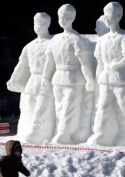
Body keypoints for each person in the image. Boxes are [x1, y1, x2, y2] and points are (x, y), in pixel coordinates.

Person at [41, 4, 95, 144]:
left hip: (74, 79)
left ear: (73, 18)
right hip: (58, 78)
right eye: (61, 17)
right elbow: (49, 62)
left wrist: (90, 80)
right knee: (59, 108)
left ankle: (63, 134)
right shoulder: (55, 40)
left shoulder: (77, 40)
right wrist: (46, 77)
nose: (63, 20)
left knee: (69, 108)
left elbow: (85, 62)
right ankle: (61, 131)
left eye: (67, 17)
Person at [87, 2, 125, 146]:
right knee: (102, 105)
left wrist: (117, 65)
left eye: (109, 15)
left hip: (120, 78)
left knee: (121, 106)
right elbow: (100, 62)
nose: (106, 18)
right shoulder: (102, 40)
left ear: (117, 17)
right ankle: (100, 133)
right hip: (105, 78)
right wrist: (96, 80)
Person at [7, 13, 54, 139]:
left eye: (41, 23)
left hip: (46, 80)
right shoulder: (29, 46)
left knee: (42, 109)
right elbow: (21, 65)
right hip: (32, 81)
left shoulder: (53, 42)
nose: (38, 26)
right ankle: (27, 130)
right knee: (29, 106)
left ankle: (37, 133)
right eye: (36, 23)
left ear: (47, 24)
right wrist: (13, 79)